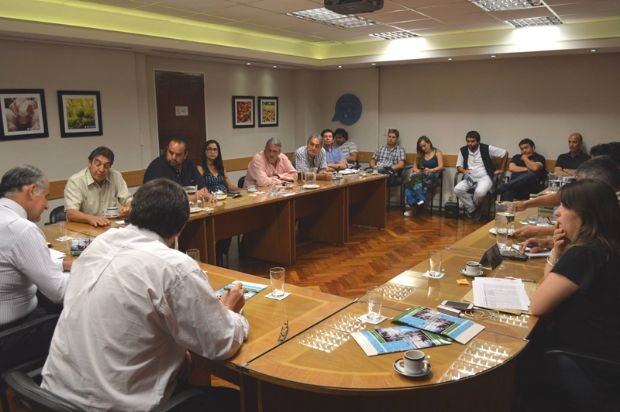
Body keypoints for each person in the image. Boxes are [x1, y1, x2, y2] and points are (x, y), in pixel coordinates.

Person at [41, 179, 248, 411]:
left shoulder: (98, 247)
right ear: (181, 227)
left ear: (132, 212)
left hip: (52, 399)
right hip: (111, 406)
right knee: (238, 401)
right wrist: (228, 312)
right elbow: (221, 343)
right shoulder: (173, 266)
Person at [523, 180, 620, 410]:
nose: (557, 213)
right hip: (607, 356)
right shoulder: (608, 246)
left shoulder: (585, 255)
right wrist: (557, 252)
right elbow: (552, 283)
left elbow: (538, 305)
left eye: (565, 206)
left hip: (586, 366)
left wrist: (563, 255)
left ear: (584, 215)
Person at [0, 165, 70, 329]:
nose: (47, 206)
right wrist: (91, 270)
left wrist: (61, 264)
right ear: (31, 191)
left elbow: (14, 263)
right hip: (15, 329)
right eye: (46, 197)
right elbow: (58, 292)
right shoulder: (21, 229)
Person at [516, 156, 620, 241]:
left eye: (581, 184)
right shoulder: (603, 196)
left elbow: (588, 232)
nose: (578, 188)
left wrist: (539, 231)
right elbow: (560, 196)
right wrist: (525, 204)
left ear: (598, 185)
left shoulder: (612, 206)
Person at [64, 146, 132, 228]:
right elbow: (71, 213)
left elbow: (128, 199)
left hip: (109, 226)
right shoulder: (75, 181)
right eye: (98, 164)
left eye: (106, 166)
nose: (101, 169)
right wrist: (90, 218)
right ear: (89, 163)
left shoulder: (116, 176)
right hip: (85, 228)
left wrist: (129, 207)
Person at [454, 130, 507, 217]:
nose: (470, 143)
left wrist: (502, 169)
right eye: (468, 141)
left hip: (485, 177)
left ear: (478, 141)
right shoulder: (463, 150)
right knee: (457, 189)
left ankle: (474, 208)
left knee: (480, 192)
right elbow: (458, 166)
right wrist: (464, 171)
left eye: (472, 141)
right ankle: (473, 210)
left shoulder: (486, 148)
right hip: (470, 177)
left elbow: (504, 153)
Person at [143, 136, 212, 202]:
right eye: (171, 153)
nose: (173, 157)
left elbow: (202, 186)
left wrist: (206, 194)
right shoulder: (156, 167)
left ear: (185, 155)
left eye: (178, 155)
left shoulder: (189, 164)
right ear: (167, 150)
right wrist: (192, 198)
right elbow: (155, 198)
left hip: (190, 207)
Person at [404, 136, 444, 217]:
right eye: (421, 147)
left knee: (413, 181)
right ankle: (417, 202)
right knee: (410, 183)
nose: (423, 148)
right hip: (421, 176)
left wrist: (430, 170)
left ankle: (415, 207)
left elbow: (441, 167)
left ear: (429, 143)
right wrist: (419, 171)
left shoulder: (437, 152)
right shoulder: (420, 154)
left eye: (424, 145)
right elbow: (414, 167)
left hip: (432, 177)